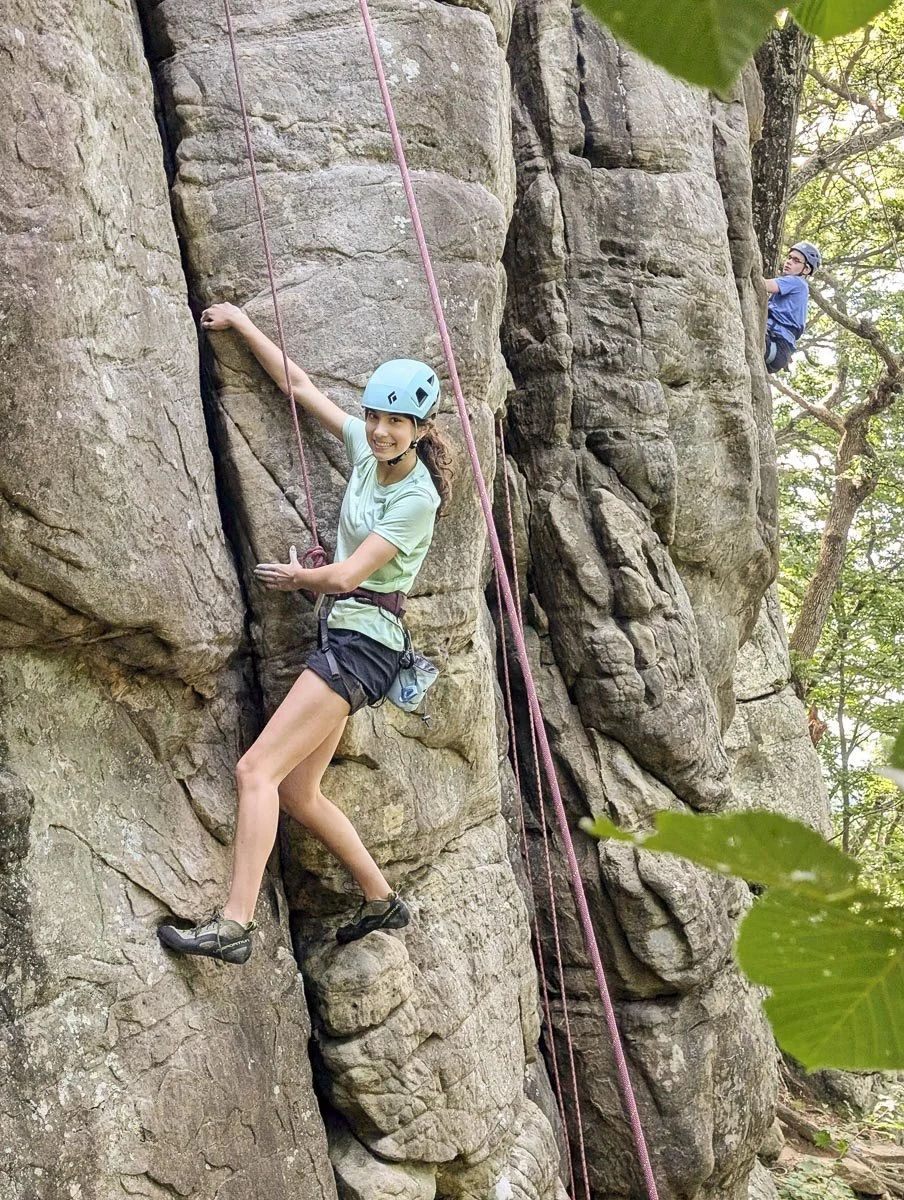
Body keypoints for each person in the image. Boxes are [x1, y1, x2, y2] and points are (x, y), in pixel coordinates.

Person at [157, 302, 454, 965]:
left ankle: (234, 925)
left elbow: (350, 573)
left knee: (255, 769)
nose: (378, 431)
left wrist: (299, 579)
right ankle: (382, 899)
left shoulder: (416, 500)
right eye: (374, 416)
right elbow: (299, 387)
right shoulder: (367, 453)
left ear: (419, 429)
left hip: (364, 648)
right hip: (347, 642)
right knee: (296, 791)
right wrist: (238, 322)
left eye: (394, 422)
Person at [763, 241, 821, 374]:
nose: (789, 262)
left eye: (796, 260)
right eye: (789, 257)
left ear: (805, 269)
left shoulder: (796, 282)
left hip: (776, 343)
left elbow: (764, 285)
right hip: (778, 350)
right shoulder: (796, 286)